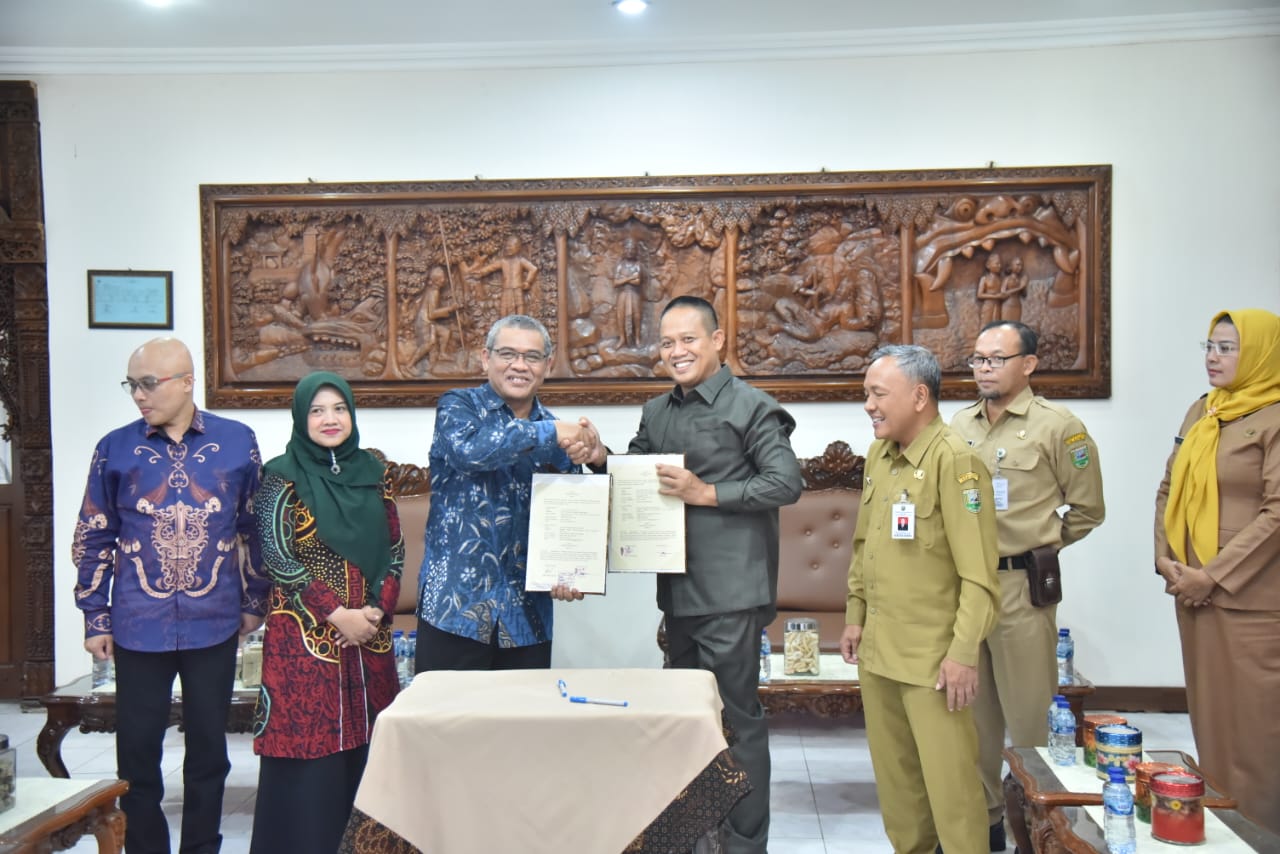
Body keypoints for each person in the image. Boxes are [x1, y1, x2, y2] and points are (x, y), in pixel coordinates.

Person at [72, 337, 266, 854]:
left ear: (186, 382)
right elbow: (93, 533)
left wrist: (254, 602)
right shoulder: (114, 447)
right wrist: (96, 617)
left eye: (149, 383)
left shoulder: (237, 441)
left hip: (215, 621)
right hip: (138, 624)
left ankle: (201, 847)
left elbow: (255, 528)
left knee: (209, 753)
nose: (139, 395)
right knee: (137, 753)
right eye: (132, 384)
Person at [626, 295, 803, 854]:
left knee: (737, 721)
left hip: (731, 592)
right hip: (677, 590)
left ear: (718, 340)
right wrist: (591, 456)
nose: (677, 352)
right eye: (667, 343)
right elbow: (632, 476)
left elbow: (786, 482)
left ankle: (746, 844)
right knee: (687, 719)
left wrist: (707, 493)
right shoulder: (656, 412)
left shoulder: (752, 406)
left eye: (689, 340)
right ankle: (696, 837)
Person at [950, 320, 1105, 850]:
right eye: (977, 359)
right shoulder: (959, 424)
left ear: (1029, 364)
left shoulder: (1059, 427)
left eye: (996, 358)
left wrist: (1042, 545)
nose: (984, 368)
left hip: (1021, 590)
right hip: (968, 589)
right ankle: (988, 826)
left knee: (1031, 721)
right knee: (973, 722)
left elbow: (1088, 509)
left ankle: (1043, 831)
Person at [842, 344, 1000, 854]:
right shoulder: (879, 457)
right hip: (879, 652)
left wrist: (962, 655)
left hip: (933, 662)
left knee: (953, 795)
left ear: (919, 395)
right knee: (899, 792)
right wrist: (854, 616)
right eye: (866, 393)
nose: (868, 404)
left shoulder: (957, 462)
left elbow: (979, 576)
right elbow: (864, 544)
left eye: (877, 393)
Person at [249, 371, 403, 853]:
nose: (330, 419)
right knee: (309, 756)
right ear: (301, 417)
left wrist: (375, 611)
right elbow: (277, 557)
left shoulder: (375, 474)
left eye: (339, 408)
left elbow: (394, 550)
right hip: (304, 642)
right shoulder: (281, 475)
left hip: (369, 643)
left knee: (372, 752)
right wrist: (339, 615)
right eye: (317, 410)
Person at [1154, 308, 1280, 834]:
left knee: (1254, 731)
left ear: (1259, 353)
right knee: (1210, 723)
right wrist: (1165, 558)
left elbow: (1277, 512)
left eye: (1227, 347)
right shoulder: (1202, 412)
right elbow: (1168, 488)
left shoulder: (1274, 417)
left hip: (1250, 602)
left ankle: (1262, 831)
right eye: (1209, 345)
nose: (1213, 356)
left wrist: (1215, 575)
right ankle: (1224, 828)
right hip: (1193, 592)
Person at [416, 314, 600, 671]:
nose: (519, 365)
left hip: (526, 619)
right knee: (443, 724)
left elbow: (570, 515)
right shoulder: (458, 407)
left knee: (522, 725)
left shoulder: (560, 434)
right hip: (454, 610)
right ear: (486, 358)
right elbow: (470, 452)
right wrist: (549, 433)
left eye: (532, 357)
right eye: (507, 354)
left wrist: (570, 575)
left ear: (547, 365)